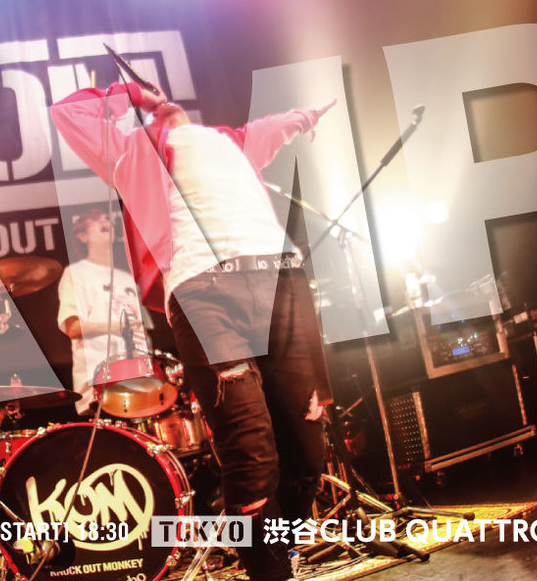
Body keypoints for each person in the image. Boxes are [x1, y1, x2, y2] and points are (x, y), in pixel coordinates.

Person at [51, 77, 334, 581]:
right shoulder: (133, 150)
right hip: (203, 289)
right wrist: (137, 96)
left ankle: (280, 552)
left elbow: (278, 127)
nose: (167, 104)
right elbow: (69, 114)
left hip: (281, 278)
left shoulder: (233, 140)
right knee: (250, 453)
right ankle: (270, 573)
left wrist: (306, 116)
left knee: (307, 449)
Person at [56, 209, 153, 415]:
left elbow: (144, 331)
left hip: (137, 378)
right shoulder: (75, 273)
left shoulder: (127, 278)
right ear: (82, 236)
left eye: (107, 218)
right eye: (95, 220)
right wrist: (114, 328)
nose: (105, 220)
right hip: (98, 380)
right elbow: (73, 328)